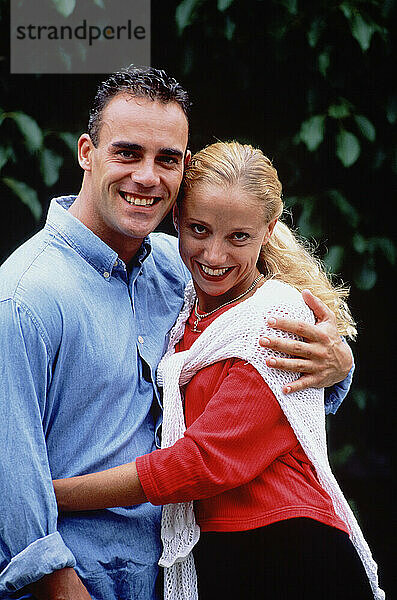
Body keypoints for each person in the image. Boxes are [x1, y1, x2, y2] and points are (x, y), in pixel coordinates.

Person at [0, 67, 352, 600]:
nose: (147, 176)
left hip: (179, 572)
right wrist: (58, 583)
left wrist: (338, 364)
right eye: (127, 153)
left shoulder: (183, 268)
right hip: (81, 579)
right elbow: (11, 470)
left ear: (184, 169)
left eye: (166, 160)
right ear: (86, 153)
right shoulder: (25, 297)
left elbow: (259, 355)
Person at [53, 142, 384, 600]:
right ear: (177, 221)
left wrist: (50, 496)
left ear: (269, 229)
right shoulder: (182, 302)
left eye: (238, 238)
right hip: (223, 555)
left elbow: (197, 464)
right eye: (199, 230)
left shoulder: (273, 317)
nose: (214, 254)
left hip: (289, 552)